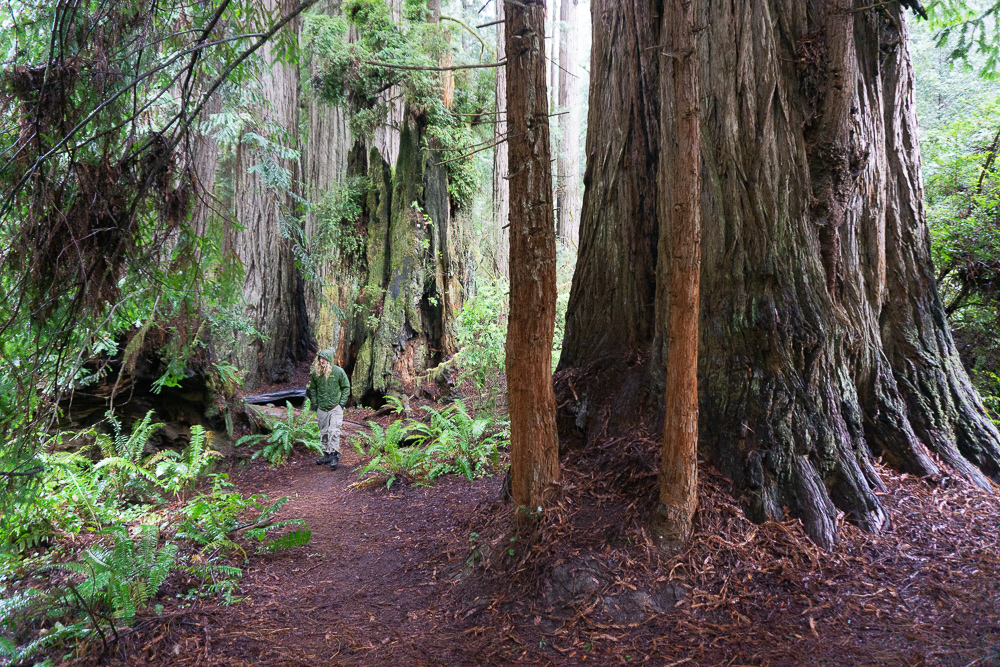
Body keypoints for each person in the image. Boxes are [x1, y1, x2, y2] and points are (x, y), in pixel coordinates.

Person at [306, 349, 350, 470]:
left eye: (324, 358)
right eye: (320, 358)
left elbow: (346, 387)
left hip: (335, 407)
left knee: (334, 431)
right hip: (322, 408)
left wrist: (341, 404)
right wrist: (315, 403)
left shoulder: (338, 372)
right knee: (323, 432)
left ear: (329, 359)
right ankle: (326, 455)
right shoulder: (316, 373)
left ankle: (334, 456)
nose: (321, 361)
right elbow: (313, 389)